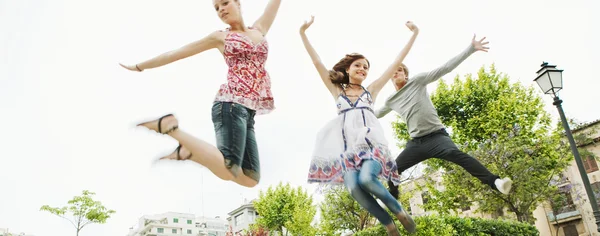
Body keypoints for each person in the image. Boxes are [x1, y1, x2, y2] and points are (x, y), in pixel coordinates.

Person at [119, 0, 282, 188]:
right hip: (230, 105)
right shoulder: (220, 37)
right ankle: (170, 127)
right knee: (229, 169)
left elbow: (275, 3)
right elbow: (178, 53)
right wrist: (140, 67)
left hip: (249, 113)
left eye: (225, 3)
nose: (221, 9)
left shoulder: (259, 29)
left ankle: (188, 152)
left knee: (250, 179)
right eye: (216, 8)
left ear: (238, 3)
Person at [299, 15, 419, 235]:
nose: (363, 69)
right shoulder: (338, 92)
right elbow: (317, 63)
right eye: (358, 65)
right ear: (348, 68)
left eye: (366, 67)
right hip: (347, 151)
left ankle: (400, 212)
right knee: (355, 188)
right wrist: (303, 33)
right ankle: (389, 225)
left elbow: (395, 62)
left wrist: (415, 34)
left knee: (366, 179)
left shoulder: (370, 90)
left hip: (371, 146)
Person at [374, 35, 513, 199]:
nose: (396, 73)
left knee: (457, 155)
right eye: (393, 71)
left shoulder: (417, 81)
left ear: (405, 74)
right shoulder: (391, 100)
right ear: (390, 77)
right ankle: (392, 198)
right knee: (392, 170)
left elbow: (445, 68)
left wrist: (471, 49)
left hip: (437, 137)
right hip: (416, 143)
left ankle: (496, 182)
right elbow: (375, 114)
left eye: (400, 70)